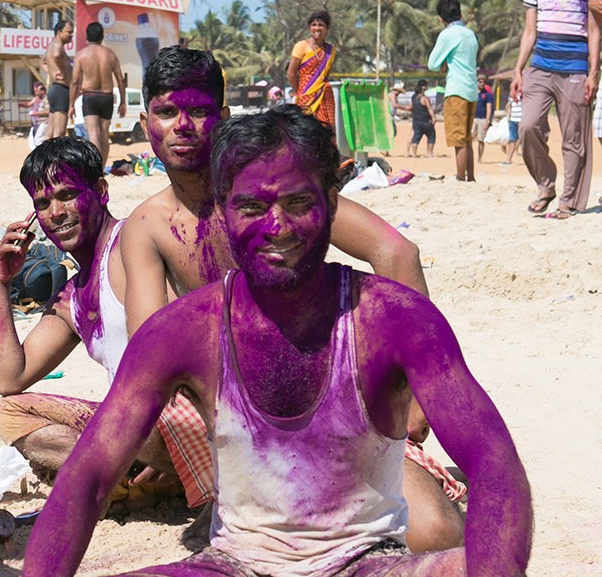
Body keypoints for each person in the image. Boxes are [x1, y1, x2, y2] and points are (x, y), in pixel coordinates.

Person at [0, 107, 537, 577]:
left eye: (300, 202)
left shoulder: (394, 318)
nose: (276, 227)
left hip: (364, 574)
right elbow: (87, 477)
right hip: (234, 576)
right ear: (221, 212)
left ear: (333, 202)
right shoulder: (183, 330)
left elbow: (492, 461)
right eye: (251, 206)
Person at [120, 47, 465, 551]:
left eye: (199, 111)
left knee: (437, 534)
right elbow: (147, 352)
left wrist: (414, 397)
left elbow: (396, 253)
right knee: (144, 420)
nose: (184, 126)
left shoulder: (275, 185)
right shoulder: (148, 227)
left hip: (335, 394)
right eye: (167, 112)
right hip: (233, 416)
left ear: (224, 116)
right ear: (146, 119)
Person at [0, 138, 177, 500]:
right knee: (11, 413)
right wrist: (0, 284)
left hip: (177, 412)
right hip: (132, 427)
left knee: (130, 404)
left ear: (101, 192)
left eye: (66, 195)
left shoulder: (136, 243)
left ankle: (135, 479)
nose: (56, 213)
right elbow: (10, 377)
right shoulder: (73, 296)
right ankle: (131, 480)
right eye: (43, 204)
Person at [510, 0, 599, 217]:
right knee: (527, 126)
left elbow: (594, 30)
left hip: (575, 70)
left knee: (574, 138)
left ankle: (568, 200)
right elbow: (530, 32)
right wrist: (518, 69)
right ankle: (545, 186)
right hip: (539, 67)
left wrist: (593, 72)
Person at [427, 0, 478, 181]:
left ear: (441, 19)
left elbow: (432, 64)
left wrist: (443, 64)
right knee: (467, 138)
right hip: (472, 90)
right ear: (460, 13)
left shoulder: (448, 34)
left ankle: (460, 177)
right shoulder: (470, 34)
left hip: (456, 90)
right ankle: (470, 177)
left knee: (458, 139)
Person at [69, 22, 126, 167]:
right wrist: (123, 102)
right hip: (107, 97)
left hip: (90, 97)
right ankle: (102, 168)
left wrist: (70, 105)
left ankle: (96, 168)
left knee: (93, 134)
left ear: (86, 36)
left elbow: (75, 81)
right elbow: (120, 79)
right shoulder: (110, 54)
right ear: (102, 36)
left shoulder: (81, 55)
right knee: (104, 134)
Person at [287, 10, 336, 128]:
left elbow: (325, 76)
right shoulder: (301, 46)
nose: (317, 28)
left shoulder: (331, 50)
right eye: (314, 25)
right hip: (305, 97)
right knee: (307, 131)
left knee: (327, 130)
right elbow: (291, 74)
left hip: (325, 96)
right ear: (309, 27)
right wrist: (301, 93)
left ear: (327, 28)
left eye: (321, 25)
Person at [43, 20, 74, 139]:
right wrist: (63, 71)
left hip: (55, 89)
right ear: (59, 32)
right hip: (61, 90)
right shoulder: (57, 45)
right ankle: (55, 157)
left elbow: (42, 62)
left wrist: (52, 72)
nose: (71, 35)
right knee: (59, 132)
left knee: (50, 133)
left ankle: (44, 157)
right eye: (68, 32)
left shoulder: (51, 45)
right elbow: (56, 54)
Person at [408, 80, 437, 158]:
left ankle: (414, 154)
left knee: (416, 137)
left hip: (416, 121)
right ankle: (429, 153)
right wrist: (433, 117)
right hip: (426, 121)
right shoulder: (424, 98)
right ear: (423, 87)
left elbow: (410, 107)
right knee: (431, 136)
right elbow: (429, 108)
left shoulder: (413, 97)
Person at [18, 82, 49, 150]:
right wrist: (21, 104)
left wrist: (36, 113)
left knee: (38, 140)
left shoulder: (46, 99)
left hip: (44, 123)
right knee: (33, 141)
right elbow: (29, 104)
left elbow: (48, 112)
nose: (35, 92)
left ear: (42, 90)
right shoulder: (36, 99)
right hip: (36, 123)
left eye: (37, 91)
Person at [472, 74, 495, 162]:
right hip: (473, 118)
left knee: (480, 139)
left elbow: (489, 108)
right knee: (470, 138)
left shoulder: (487, 95)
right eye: (480, 82)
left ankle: (479, 158)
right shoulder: (473, 93)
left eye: (483, 82)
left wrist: (487, 121)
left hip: (482, 119)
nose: (482, 84)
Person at [504, 94, 522, 164]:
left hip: (521, 120)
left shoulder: (524, 96)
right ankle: (508, 160)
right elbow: (508, 107)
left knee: (521, 139)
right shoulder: (512, 96)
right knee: (512, 140)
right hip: (512, 120)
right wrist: (508, 117)